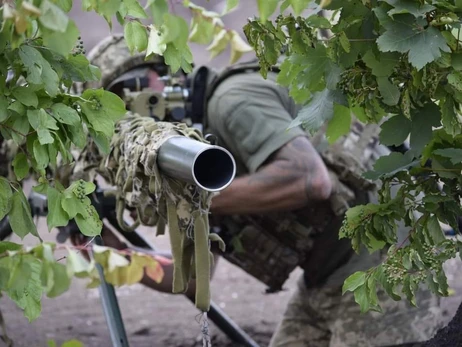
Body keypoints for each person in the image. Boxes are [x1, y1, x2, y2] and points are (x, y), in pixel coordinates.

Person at [71, 34, 447, 346]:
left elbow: (309, 179)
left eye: (128, 94)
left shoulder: (232, 101)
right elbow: (191, 280)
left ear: (158, 77)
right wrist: (110, 250)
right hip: (329, 275)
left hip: (384, 259)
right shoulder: (181, 154)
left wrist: (200, 200)